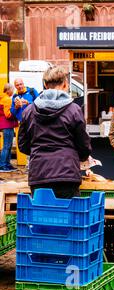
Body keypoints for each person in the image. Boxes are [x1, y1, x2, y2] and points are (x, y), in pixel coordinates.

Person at [18, 66, 91, 198]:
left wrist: (39, 151)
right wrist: (78, 157)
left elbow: (23, 145)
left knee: (42, 216)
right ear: (65, 84)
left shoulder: (29, 111)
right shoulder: (74, 110)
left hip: (38, 173)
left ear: (45, 85)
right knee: (68, 216)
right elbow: (84, 145)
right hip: (67, 174)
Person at [0, 83, 18, 172]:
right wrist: (16, 110)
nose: (13, 91)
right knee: (7, 146)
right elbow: (8, 115)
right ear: (8, 90)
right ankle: (3, 165)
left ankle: (7, 164)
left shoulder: (3, 98)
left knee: (8, 145)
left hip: (5, 125)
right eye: (13, 89)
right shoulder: (7, 100)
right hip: (7, 124)